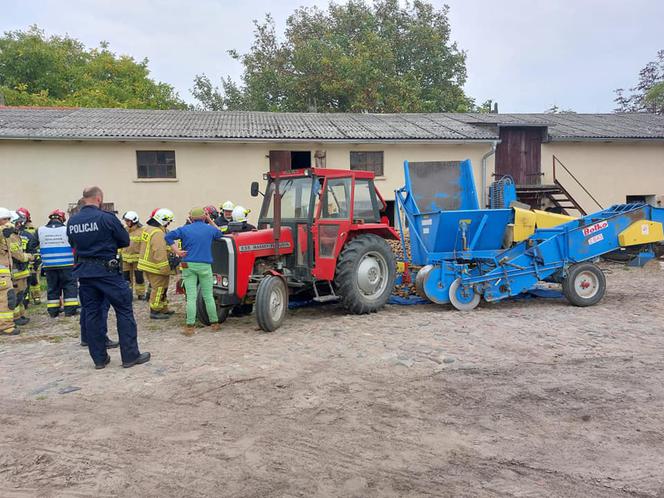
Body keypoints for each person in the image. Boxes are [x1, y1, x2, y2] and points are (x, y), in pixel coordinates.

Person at [67, 186, 149, 369]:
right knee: (124, 310)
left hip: (84, 273)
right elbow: (124, 241)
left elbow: (72, 243)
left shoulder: (72, 221)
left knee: (92, 314)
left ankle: (99, 359)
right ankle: (130, 356)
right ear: (99, 199)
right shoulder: (106, 218)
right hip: (107, 272)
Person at [165, 207, 224, 336]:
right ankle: (214, 323)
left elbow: (168, 236)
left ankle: (190, 326)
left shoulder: (184, 229)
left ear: (191, 218)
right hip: (204, 265)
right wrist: (209, 219)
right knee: (208, 296)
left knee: (191, 297)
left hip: (188, 264)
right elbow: (220, 233)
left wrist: (177, 251)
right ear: (204, 217)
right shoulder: (209, 229)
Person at [37, 210, 79, 317]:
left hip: (49, 266)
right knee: (69, 286)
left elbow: (32, 246)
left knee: (52, 287)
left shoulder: (40, 230)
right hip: (67, 264)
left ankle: (53, 311)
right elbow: (75, 244)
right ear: (62, 219)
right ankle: (70, 311)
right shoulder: (67, 229)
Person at [137, 208, 175, 319]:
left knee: (163, 287)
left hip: (148, 263)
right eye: (168, 221)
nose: (168, 224)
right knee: (159, 288)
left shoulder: (149, 229)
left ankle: (163, 308)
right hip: (156, 266)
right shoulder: (158, 233)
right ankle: (155, 311)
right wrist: (165, 268)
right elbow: (159, 251)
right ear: (163, 220)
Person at [8, 211, 34, 326]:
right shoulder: (11, 237)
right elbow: (17, 255)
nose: (20, 225)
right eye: (18, 222)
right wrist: (29, 256)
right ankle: (15, 318)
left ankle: (20, 315)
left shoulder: (16, 235)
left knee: (21, 294)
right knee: (16, 295)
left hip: (21, 271)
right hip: (15, 271)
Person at [0, 208, 20, 335]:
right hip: (1, 275)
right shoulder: (3, 231)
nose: (8, 222)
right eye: (4, 219)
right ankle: (6, 326)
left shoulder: (5, 236)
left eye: (9, 219)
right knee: (6, 299)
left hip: (5, 272)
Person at [17, 207, 42, 304]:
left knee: (33, 279)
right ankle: (29, 298)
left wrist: (35, 260)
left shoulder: (31, 231)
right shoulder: (16, 233)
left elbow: (34, 246)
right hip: (24, 259)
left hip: (29, 258)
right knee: (28, 280)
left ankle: (35, 297)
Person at [120, 211, 146, 300]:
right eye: (126, 221)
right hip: (125, 259)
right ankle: (128, 295)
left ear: (134, 221)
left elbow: (144, 245)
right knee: (126, 279)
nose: (126, 222)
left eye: (128, 221)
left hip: (137, 259)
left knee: (139, 278)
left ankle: (141, 294)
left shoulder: (142, 231)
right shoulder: (124, 230)